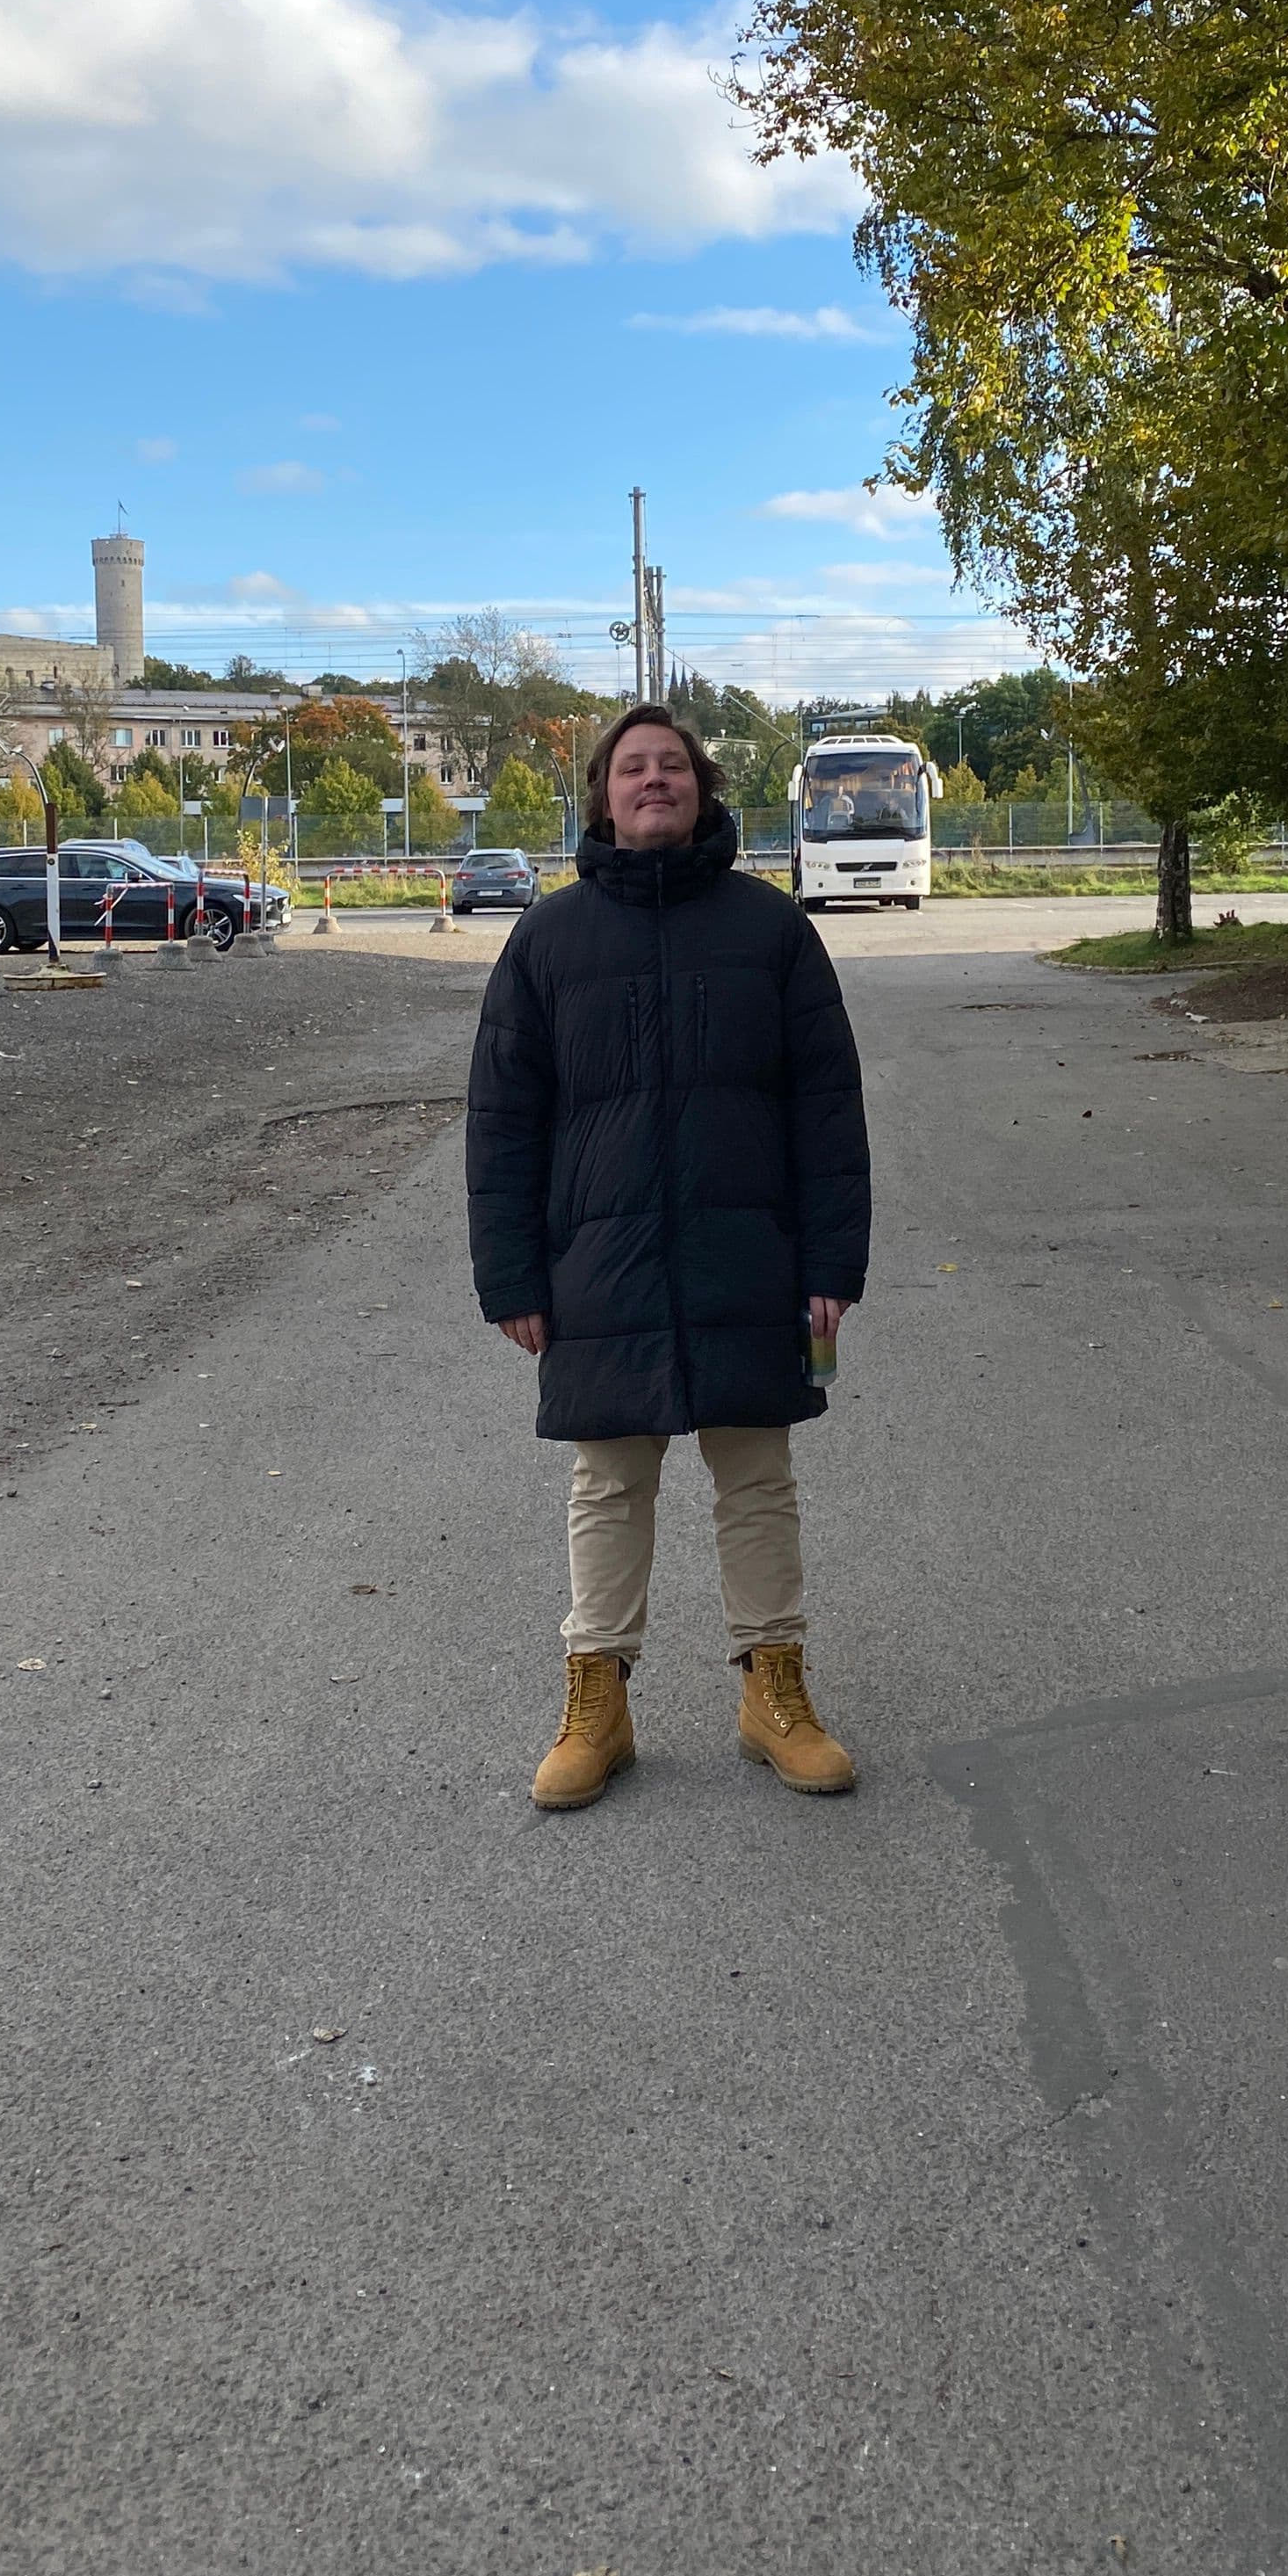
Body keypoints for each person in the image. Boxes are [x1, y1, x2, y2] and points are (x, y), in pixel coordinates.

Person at [466, 702, 871, 1809]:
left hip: (751, 1252)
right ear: (603, 798)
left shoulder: (772, 931)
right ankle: (598, 1702)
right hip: (600, 1262)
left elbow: (828, 1110)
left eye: (674, 766)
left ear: (702, 790)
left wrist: (831, 1263)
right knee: (608, 1479)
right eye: (634, 767)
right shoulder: (546, 942)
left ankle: (774, 1693)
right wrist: (512, 1276)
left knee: (757, 1474)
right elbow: (502, 1124)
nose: (655, 780)